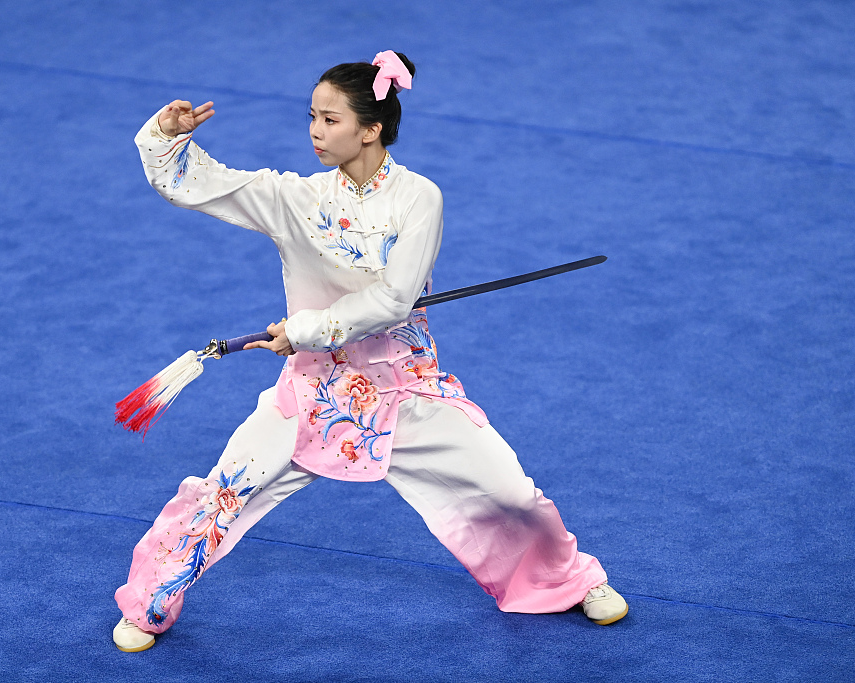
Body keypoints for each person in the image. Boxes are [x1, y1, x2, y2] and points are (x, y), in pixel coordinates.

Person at [112, 51, 627, 653]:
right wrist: (165, 139)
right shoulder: (295, 198)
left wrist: (305, 328)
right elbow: (202, 186)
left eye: (330, 120)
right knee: (224, 492)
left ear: (372, 127)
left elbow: (394, 299)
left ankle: (565, 580)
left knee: (510, 492)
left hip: (406, 388)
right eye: (311, 116)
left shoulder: (419, 199)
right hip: (311, 392)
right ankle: (149, 599)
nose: (314, 131)